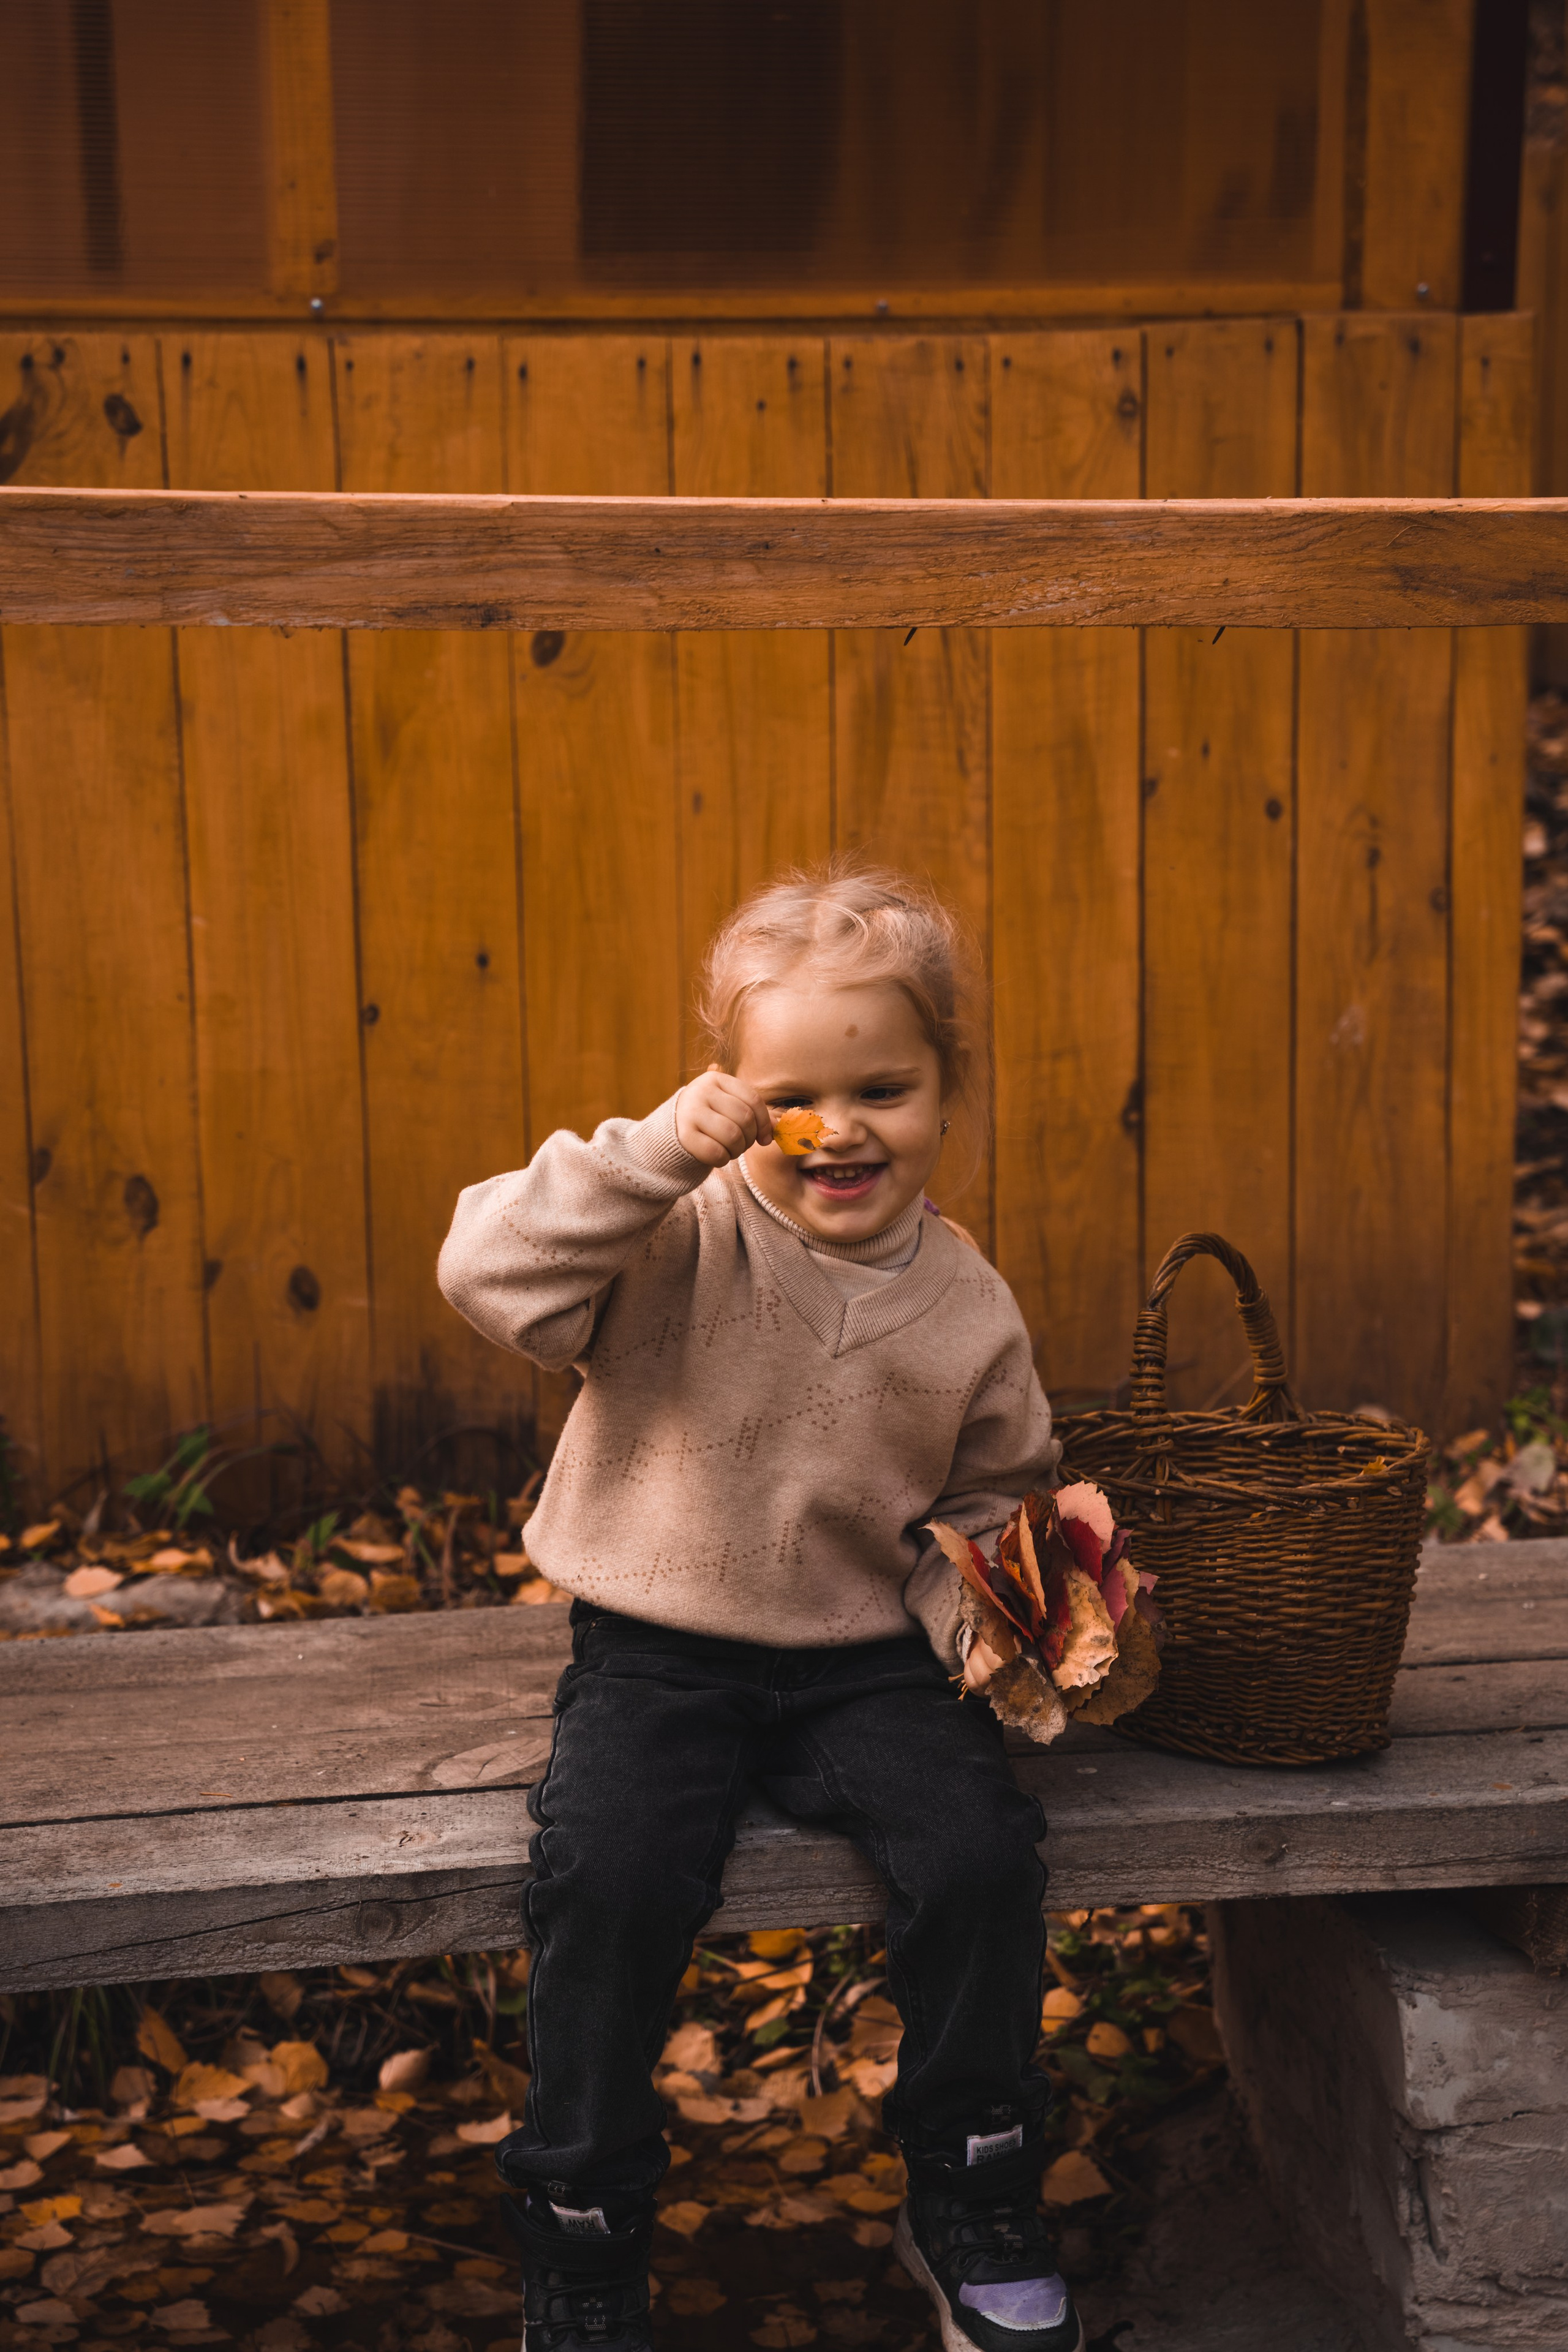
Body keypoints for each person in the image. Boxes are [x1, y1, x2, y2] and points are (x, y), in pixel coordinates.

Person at [437, 866, 1082, 2352]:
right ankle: (582, 2220)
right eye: (790, 1092)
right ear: (731, 1091)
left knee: (980, 1856)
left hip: (866, 1659)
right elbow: (488, 1275)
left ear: (944, 1091)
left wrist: (996, 1618)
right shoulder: (670, 1233)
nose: (838, 1128)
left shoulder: (970, 1306)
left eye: (883, 1087)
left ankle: (973, 2183)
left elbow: (980, 1501)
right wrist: (659, 1150)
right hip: (661, 1647)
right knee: (606, 1876)